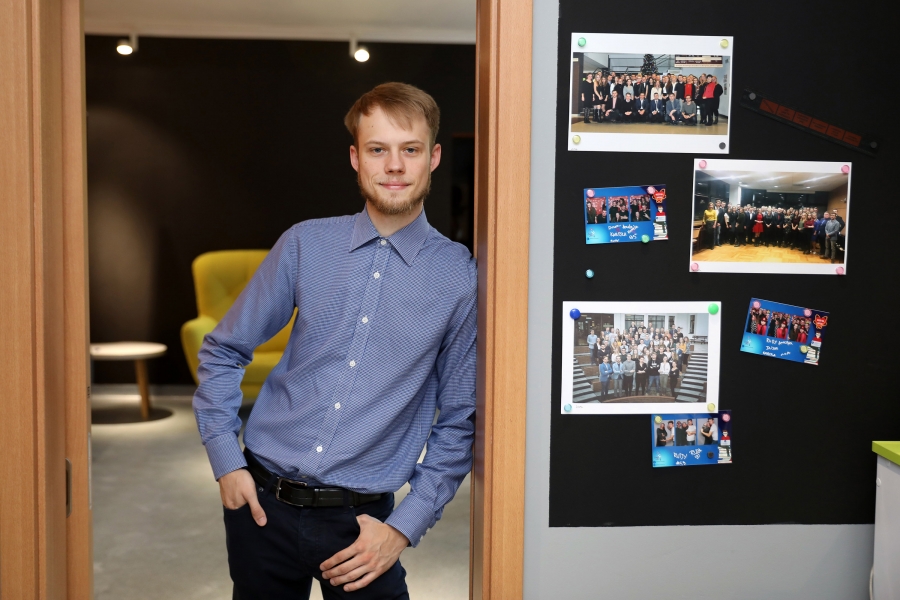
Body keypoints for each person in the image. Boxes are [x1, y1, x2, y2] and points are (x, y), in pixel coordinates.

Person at [193, 82, 476, 599]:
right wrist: (225, 461)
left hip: (362, 526)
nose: (394, 165)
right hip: (261, 508)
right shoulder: (305, 243)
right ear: (355, 158)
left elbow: (460, 421)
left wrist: (403, 526)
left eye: (409, 150)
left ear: (433, 158)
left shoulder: (460, 276)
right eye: (377, 149)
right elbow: (224, 348)